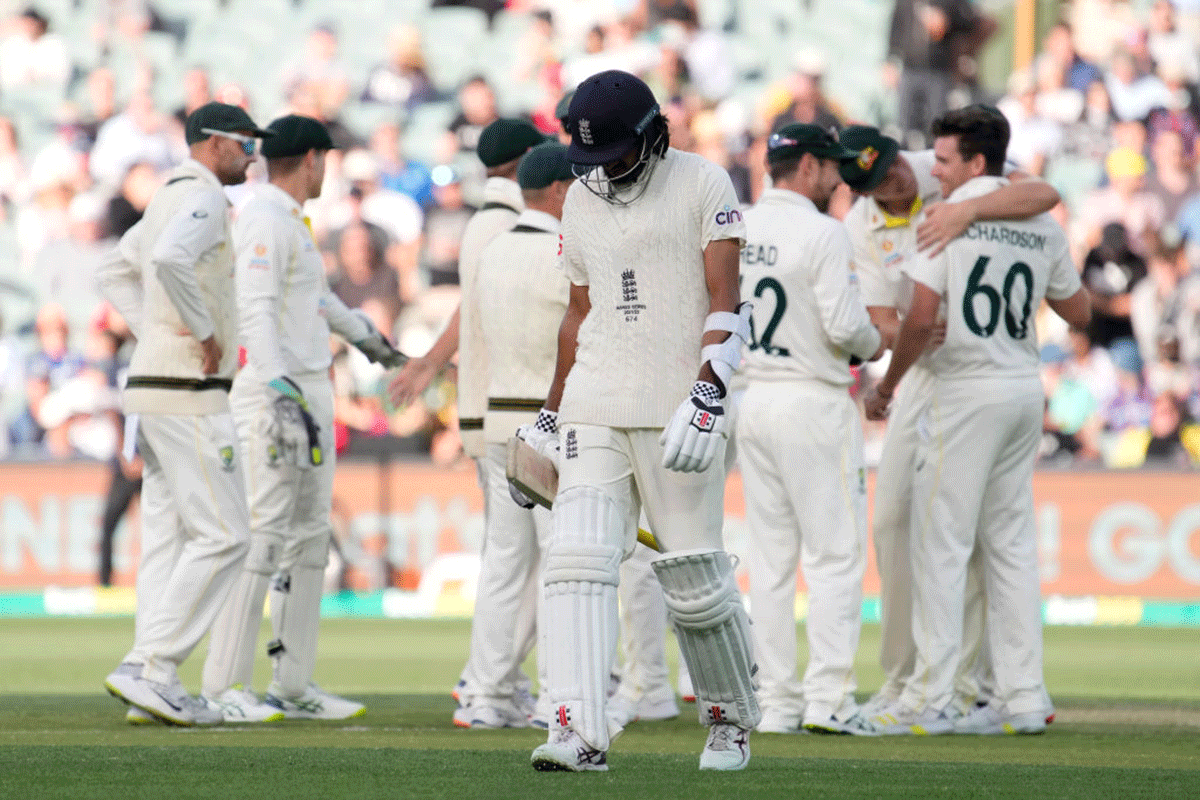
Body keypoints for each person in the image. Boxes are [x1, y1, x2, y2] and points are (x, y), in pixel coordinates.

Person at [525, 70, 759, 772]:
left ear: (654, 134)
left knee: (692, 576)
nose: (607, 172)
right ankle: (577, 729)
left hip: (679, 405)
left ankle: (727, 722)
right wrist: (549, 412)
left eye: (619, 155)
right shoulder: (581, 203)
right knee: (576, 558)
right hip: (596, 400)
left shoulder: (703, 182)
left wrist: (711, 389)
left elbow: (728, 299)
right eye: (592, 160)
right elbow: (578, 315)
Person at [863, 105, 1091, 735]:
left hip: (962, 390)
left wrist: (889, 385)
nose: (934, 171)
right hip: (1022, 387)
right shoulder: (1039, 221)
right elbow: (1079, 311)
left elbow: (919, 318)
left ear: (976, 162)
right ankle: (1022, 700)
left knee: (941, 547)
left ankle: (933, 700)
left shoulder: (947, 220)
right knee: (1012, 548)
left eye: (944, 159)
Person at [200, 115, 403, 722]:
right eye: (326, 160)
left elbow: (313, 301)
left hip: (309, 388)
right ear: (312, 159)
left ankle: (292, 685)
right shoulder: (263, 218)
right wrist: (280, 387)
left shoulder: (287, 219)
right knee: (261, 537)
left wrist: (375, 344)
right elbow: (255, 309)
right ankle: (223, 688)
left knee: (309, 540)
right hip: (273, 394)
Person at [96, 102, 274, 726]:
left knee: (168, 539)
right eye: (245, 144)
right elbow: (169, 260)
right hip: (186, 390)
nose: (252, 157)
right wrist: (199, 333)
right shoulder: (201, 199)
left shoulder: (166, 194)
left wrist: (154, 330)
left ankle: (152, 682)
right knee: (227, 534)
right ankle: (151, 665)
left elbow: (113, 268)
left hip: (152, 386)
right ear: (213, 143)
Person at [388, 117, 547, 719]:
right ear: (530, 161)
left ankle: (493, 682)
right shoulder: (506, 224)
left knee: (516, 560)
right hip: (510, 411)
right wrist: (430, 363)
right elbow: (474, 312)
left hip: (489, 414)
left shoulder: (485, 221)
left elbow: (467, 309)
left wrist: (430, 364)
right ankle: (489, 684)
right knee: (525, 562)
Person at [736, 124, 886, 736]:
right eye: (828, 165)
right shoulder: (823, 232)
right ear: (804, 168)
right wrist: (880, 341)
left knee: (770, 564)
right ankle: (829, 700)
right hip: (814, 399)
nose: (835, 177)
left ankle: (776, 704)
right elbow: (847, 328)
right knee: (833, 558)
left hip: (755, 396)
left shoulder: (739, 224)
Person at [458, 142, 575, 729]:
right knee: (560, 563)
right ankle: (558, 696)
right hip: (549, 426)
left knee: (503, 563)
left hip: (500, 420)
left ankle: (485, 694)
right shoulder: (564, 249)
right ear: (556, 191)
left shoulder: (493, 247)